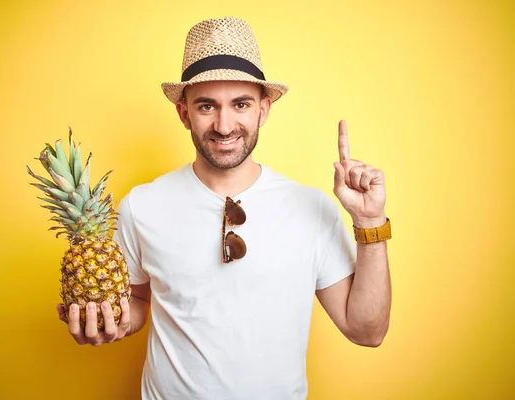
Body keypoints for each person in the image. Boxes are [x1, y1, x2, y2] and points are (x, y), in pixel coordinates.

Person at [57, 16, 392, 399]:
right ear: (184, 113)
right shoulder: (142, 206)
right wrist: (108, 322)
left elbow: (367, 331)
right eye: (206, 106)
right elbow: (136, 302)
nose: (224, 124)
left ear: (263, 110)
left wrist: (369, 222)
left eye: (241, 104)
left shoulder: (312, 207)